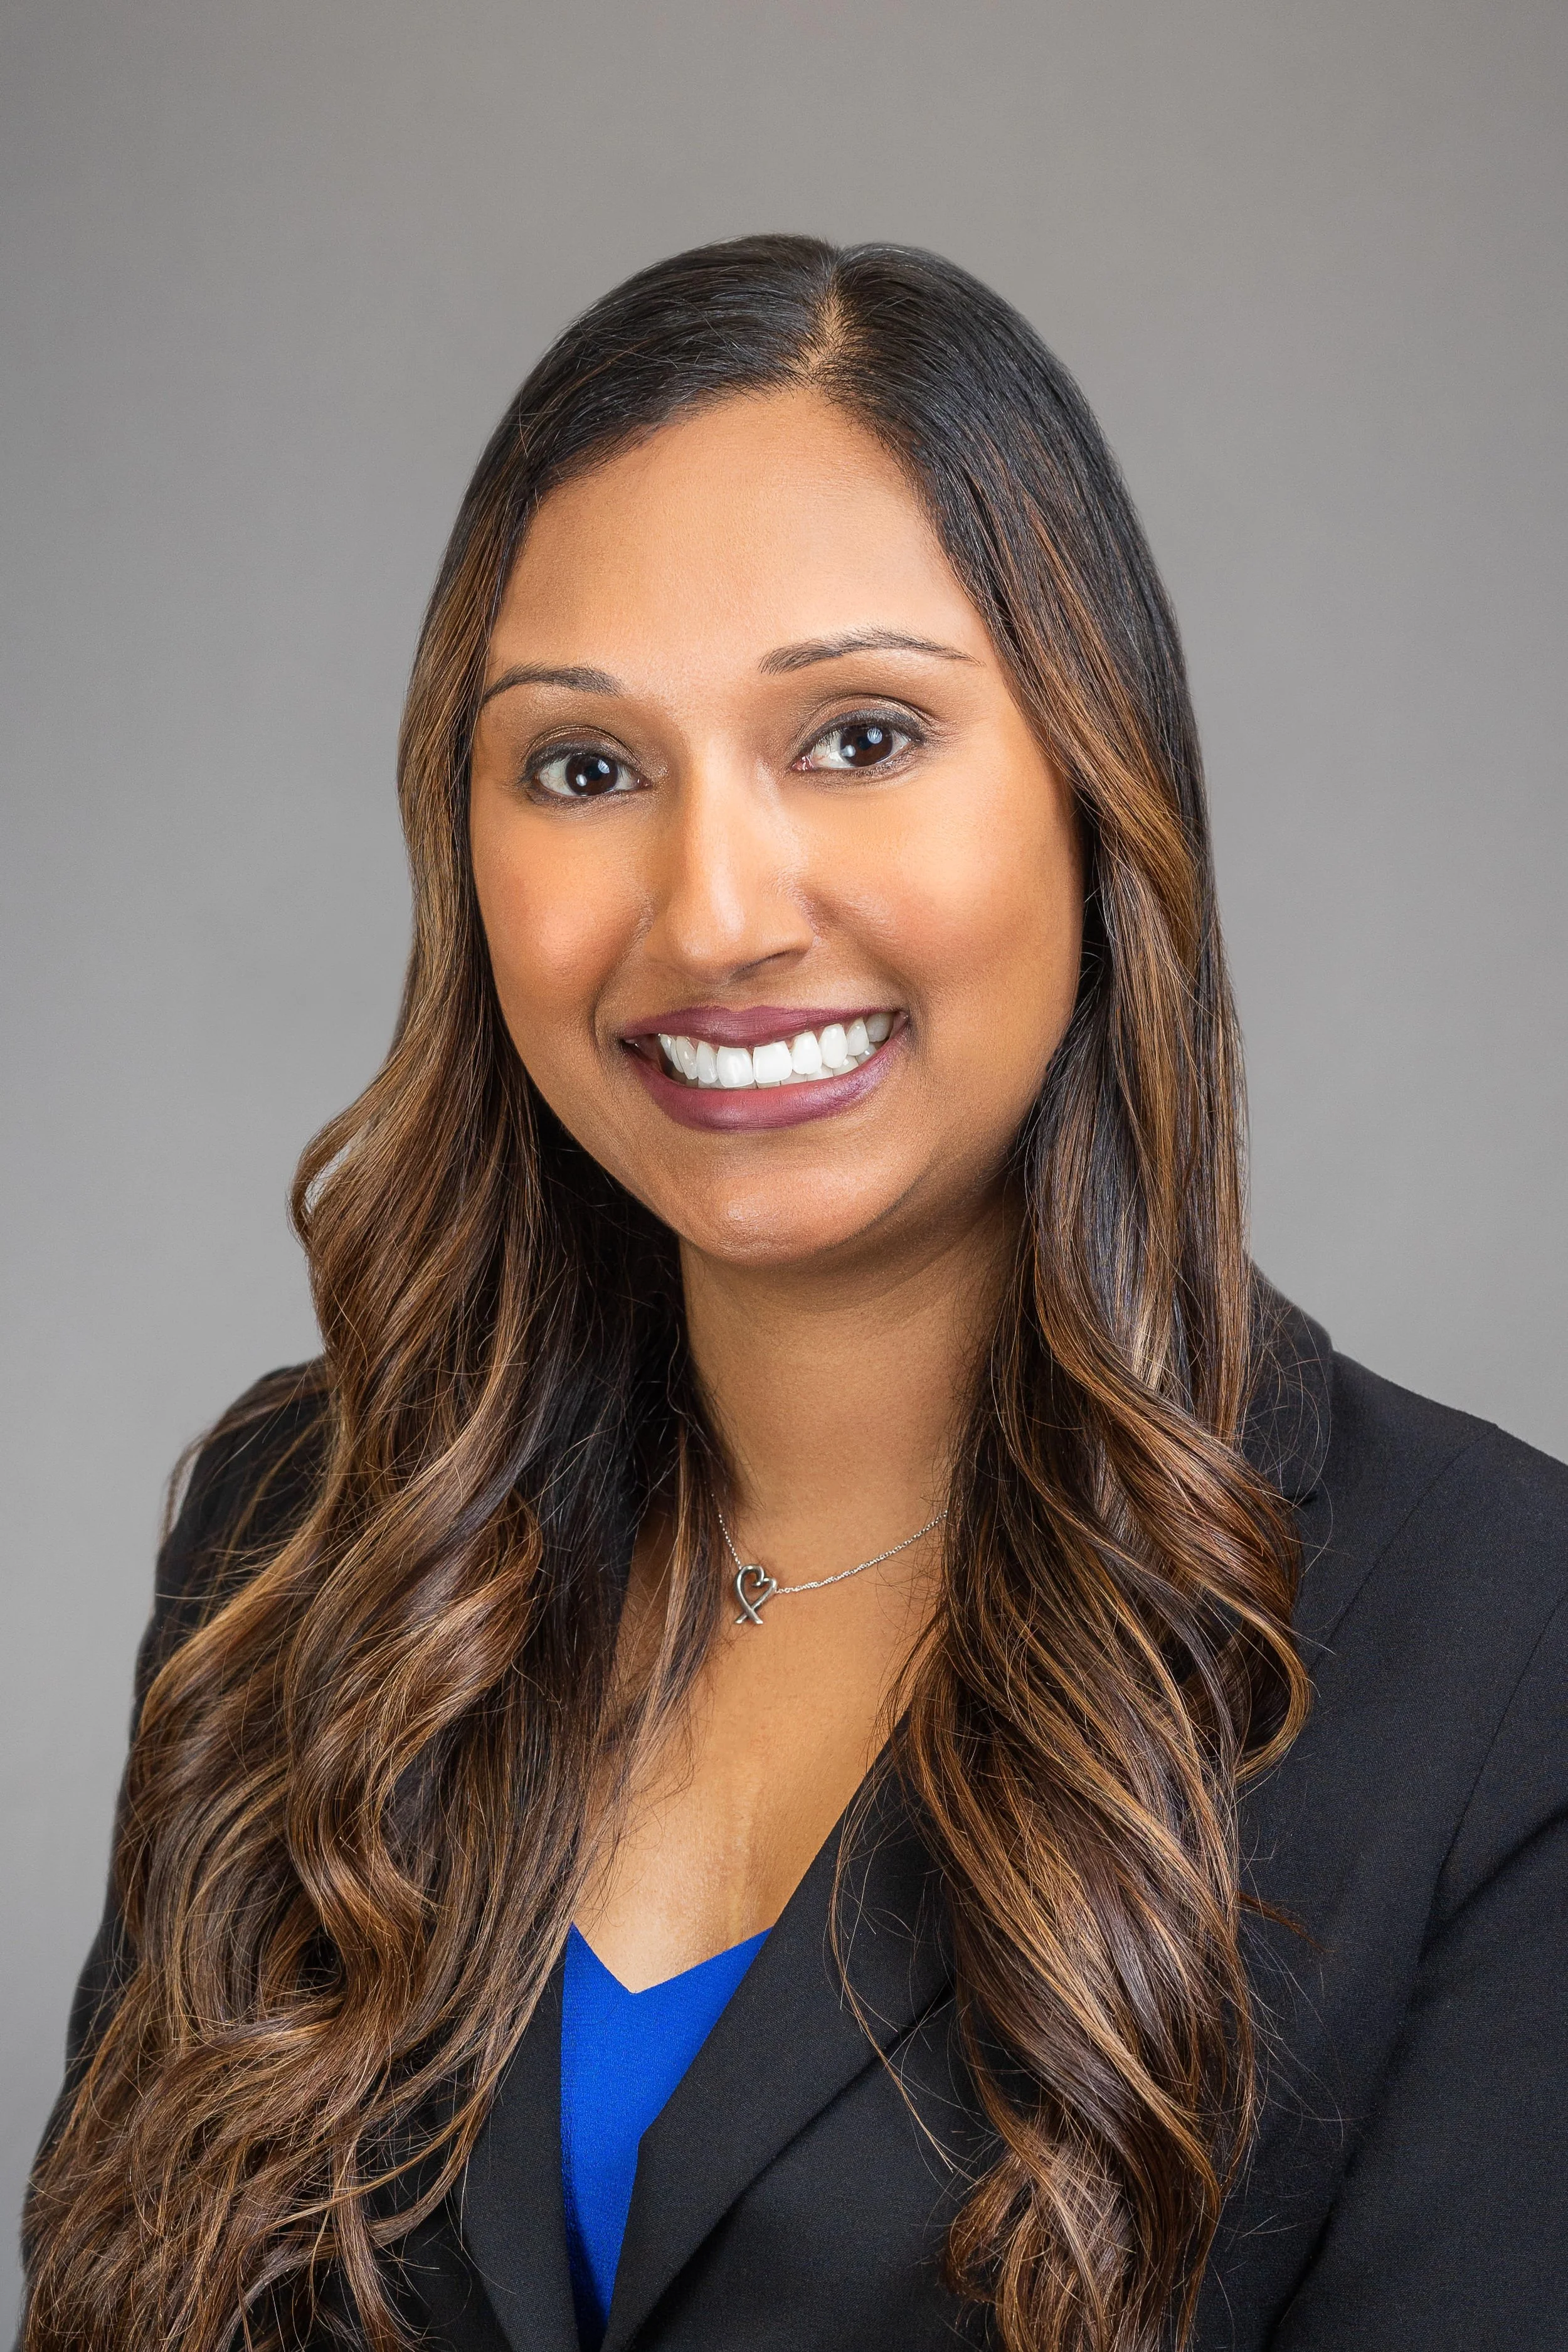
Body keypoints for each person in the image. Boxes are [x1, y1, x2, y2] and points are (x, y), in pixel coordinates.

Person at [19, 236, 1567, 2352]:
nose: (716, 911)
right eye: (582, 766)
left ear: (1091, 788)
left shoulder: (1496, 1641)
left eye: (855, 734)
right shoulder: (297, 1531)